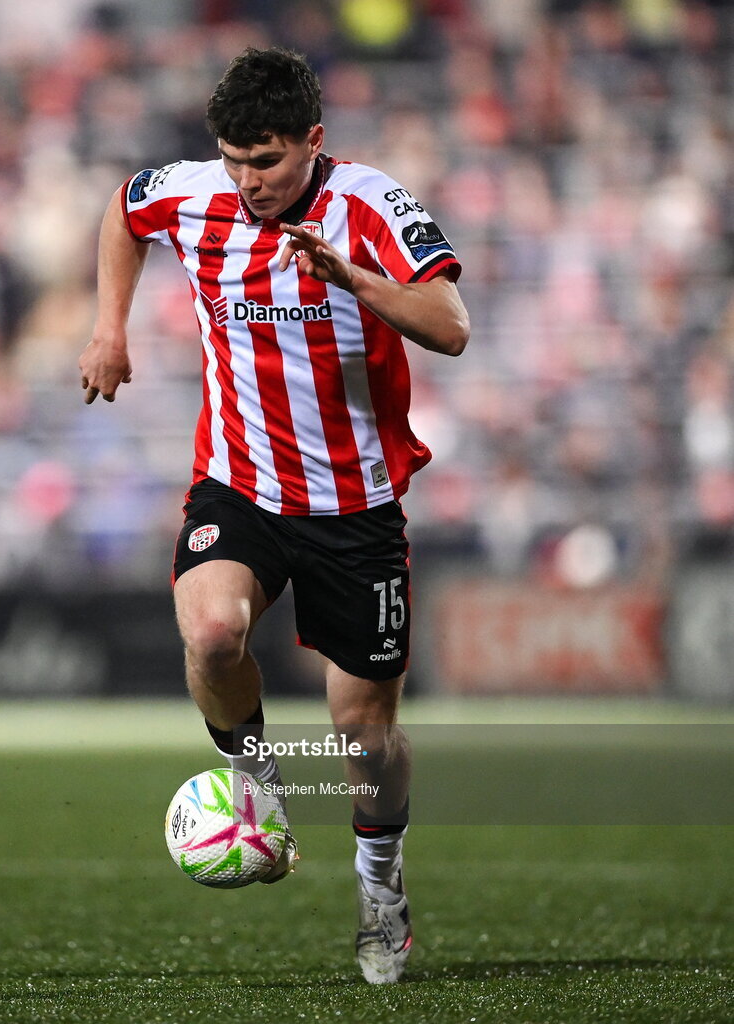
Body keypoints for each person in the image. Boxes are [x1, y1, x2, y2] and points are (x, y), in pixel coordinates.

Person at [79, 46, 469, 984]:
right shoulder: (193, 191)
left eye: (268, 162)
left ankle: (381, 894)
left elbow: (451, 325)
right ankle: (258, 788)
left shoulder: (372, 203)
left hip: (354, 504)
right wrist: (108, 327)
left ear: (312, 142)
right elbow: (124, 210)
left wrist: (354, 281)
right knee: (211, 637)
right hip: (238, 483)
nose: (248, 181)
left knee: (363, 734)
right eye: (234, 160)